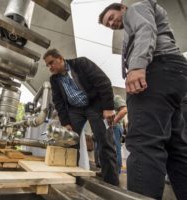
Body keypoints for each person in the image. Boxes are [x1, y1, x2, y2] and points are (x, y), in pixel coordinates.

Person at [99, 1, 187, 199]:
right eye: (108, 25)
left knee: (143, 142)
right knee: (176, 147)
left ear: (121, 8)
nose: (111, 24)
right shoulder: (137, 18)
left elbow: (145, 28)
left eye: (111, 18)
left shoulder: (135, 9)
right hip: (174, 71)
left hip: (156, 68)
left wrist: (137, 66)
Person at [43, 48, 119, 186]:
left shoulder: (81, 64)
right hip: (75, 109)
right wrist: (65, 122)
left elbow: (103, 82)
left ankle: (111, 183)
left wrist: (108, 108)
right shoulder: (54, 79)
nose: (50, 67)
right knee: (70, 142)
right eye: (47, 65)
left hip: (94, 105)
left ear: (60, 58)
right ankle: (72, 179)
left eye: (51, 63)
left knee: (104, 141)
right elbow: (58, 101)